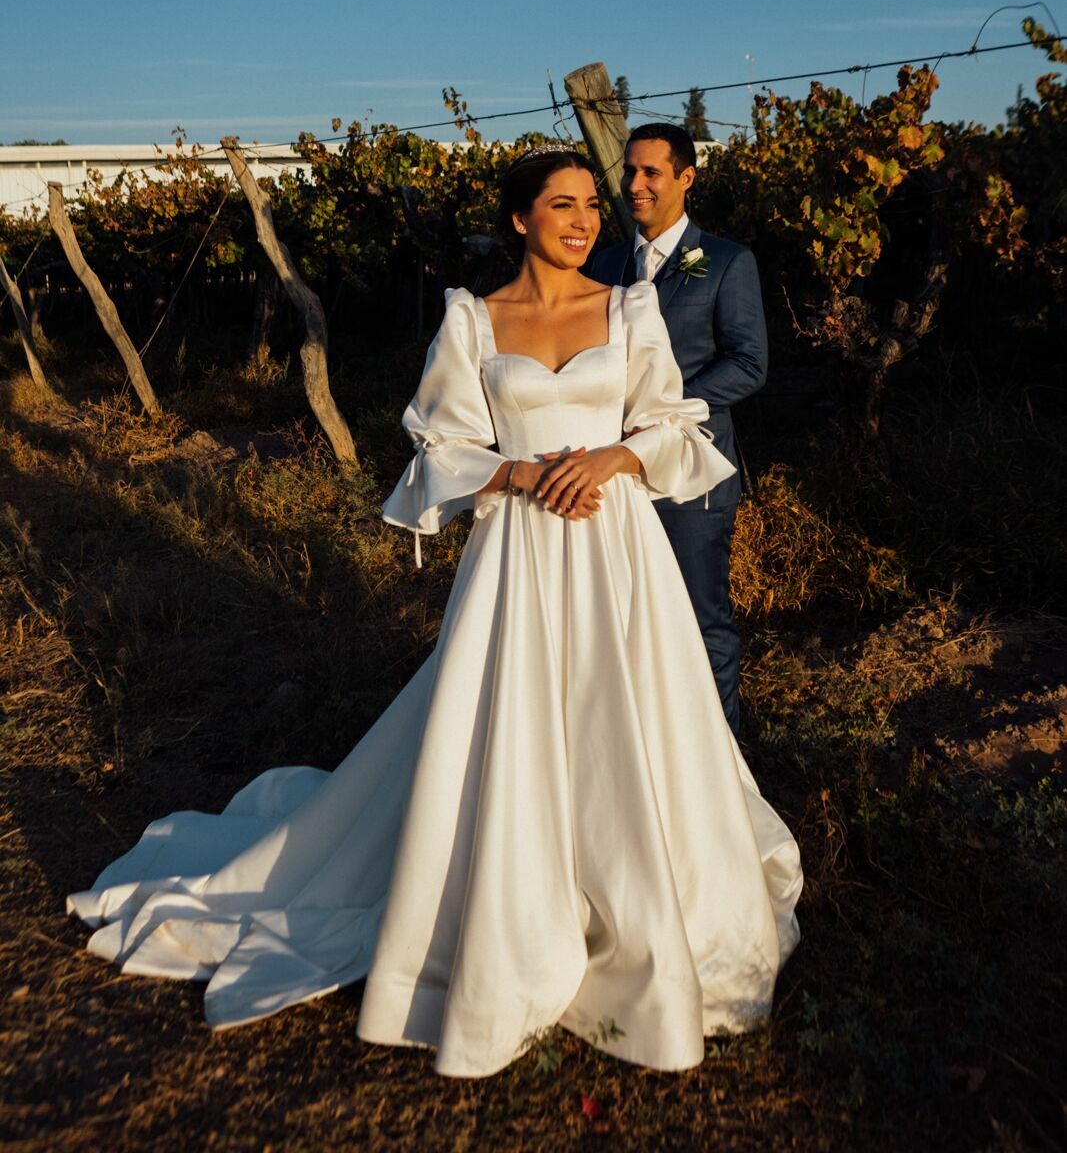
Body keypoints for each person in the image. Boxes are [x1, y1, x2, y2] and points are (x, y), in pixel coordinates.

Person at [68, 146, 801, 1079]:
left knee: (630, 717)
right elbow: (438, 447)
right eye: (560, 205)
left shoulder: (630, 307)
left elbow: (671, 422)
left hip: (618, 548)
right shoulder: (472, 318)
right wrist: (528, 471)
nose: (582, 221)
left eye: (590, 206)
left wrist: (610, 461)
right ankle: (509, 914)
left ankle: (642, 904)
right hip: (521, 550)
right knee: (515, 718)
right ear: (519, 220)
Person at [587, 124, 768, 735]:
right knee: (625, 616)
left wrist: (664, 408)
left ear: (686, 178)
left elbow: (748, 364)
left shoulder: (726, 261)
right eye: (628, 172)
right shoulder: (604, 262)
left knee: (700, 615)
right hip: (616, 472)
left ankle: (727, 763)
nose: (634, 185)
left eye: (650, 173)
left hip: (694, 471)